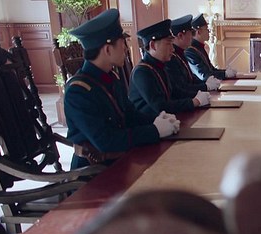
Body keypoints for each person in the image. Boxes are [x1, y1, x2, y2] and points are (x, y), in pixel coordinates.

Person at [64, 9, 180, 169]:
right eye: (122, 44)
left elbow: (130, 114)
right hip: (95, 171)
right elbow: (106, 141)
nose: (126, 49)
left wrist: (158, 119)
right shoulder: (78, 92)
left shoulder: (110, 77)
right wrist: (155, 130)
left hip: (122, 158)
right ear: (107, 49)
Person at [129, 18, 210, 116]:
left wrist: (200, 93)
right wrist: (194, 102)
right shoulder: (142, 72)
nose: (172, 49)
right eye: (168, 44)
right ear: (153, 46)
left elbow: (176, 92)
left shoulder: (159, 66)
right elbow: (160, 106)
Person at [167, 14, 221, 98]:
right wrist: (205, 86)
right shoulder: (172, 58)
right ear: (180, 36)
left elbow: (191, 79)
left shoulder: (180, 53)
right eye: (191, 33)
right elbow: (182, 87)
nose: (192, 37)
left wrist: (206, 85)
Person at [186, 13, 238, 80]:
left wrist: (225, 72)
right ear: (198, 32)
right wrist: (225, 74)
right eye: (207, 29)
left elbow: (211, 69)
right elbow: (204, 75)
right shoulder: (191, 51)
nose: (209, 32)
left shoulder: (199, 48)